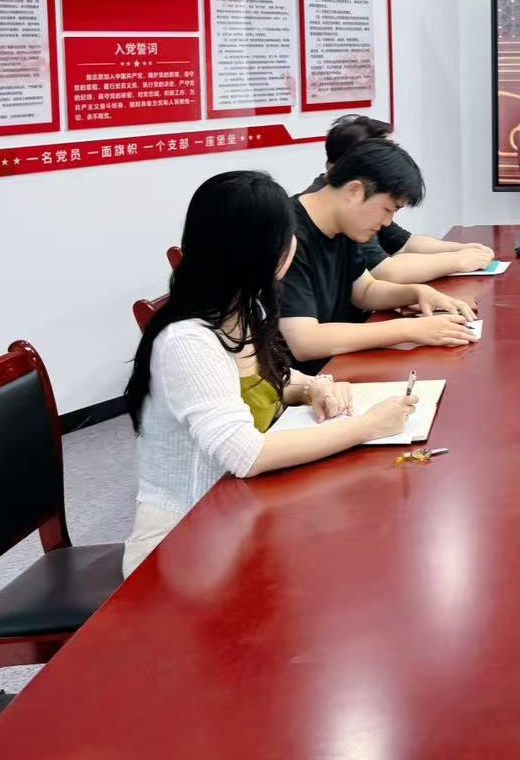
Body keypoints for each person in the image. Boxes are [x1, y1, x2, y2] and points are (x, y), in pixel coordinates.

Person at [122, 171, 420, 576]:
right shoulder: (188, 342)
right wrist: (367, 426)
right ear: (261, 250)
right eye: (287, 235)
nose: (293, 243)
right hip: (185, 545)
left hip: (239, 515)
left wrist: (313, 386)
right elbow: (247, 455)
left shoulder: (244, 307)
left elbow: (268, 377)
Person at [281, 140, 477, 374]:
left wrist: (416, 293)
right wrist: (410, 329)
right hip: (308, 381)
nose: (386, 222)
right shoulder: (287, 235)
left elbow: (364, 291)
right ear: (354, 191)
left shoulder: (344, 225)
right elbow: (305, 342)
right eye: (388, 209)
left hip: (346, 364)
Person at [308, 115, 495, 282]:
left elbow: (404, 243)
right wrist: (458, 260)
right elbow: (384, 271)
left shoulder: (367, 203)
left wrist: (461, 249)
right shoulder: (342, 210)